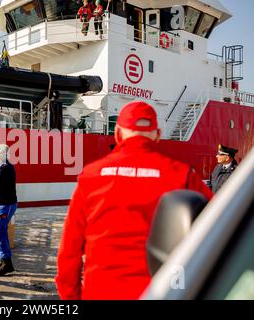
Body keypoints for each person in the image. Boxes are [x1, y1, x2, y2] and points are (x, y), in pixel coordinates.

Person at [56, 101, 213, 300]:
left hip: (101, 291)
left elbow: (69, 249)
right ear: (157, 134)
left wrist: (70, 297)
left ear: (118, 133)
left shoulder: (91, 175)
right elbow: (221, 226)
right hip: (163, 292)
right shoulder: (182, 175)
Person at [0, 144, 18, 276]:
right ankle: (3, 260)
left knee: (2, 231)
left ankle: (7, 263)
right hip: (1, 205)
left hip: (5, 206)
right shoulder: (3, 167)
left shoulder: (5, 169)